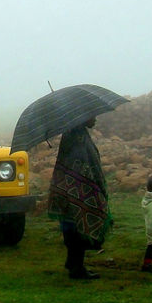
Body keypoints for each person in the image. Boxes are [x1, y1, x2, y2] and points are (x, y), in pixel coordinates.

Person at [48, 117, 112, 279]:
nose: (96, 120)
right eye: (93, 116)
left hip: (69, 188)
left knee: (72, 228)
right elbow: (82, 163)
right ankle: (77, 268)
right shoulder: (77, 136)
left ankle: (73, 263)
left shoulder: (76, 133)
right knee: (77, 229)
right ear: (83, 118)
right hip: (77, 190)